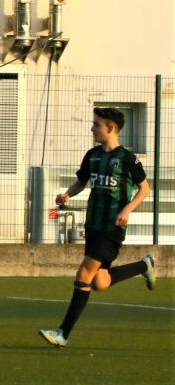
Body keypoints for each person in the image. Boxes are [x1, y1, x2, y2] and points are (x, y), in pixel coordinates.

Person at [39, 107, 155, 349]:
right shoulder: (92, 155)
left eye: (96, 124)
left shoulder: (127, 158)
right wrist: (66, 195)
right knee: (100, 281)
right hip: (93, 224)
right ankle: (144, 265)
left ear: (110, 128)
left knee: (83, 275)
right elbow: (82, 181)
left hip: (112, 228)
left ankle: (62, 333)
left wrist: (126, 210)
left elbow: (145, 189)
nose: (92, 128)